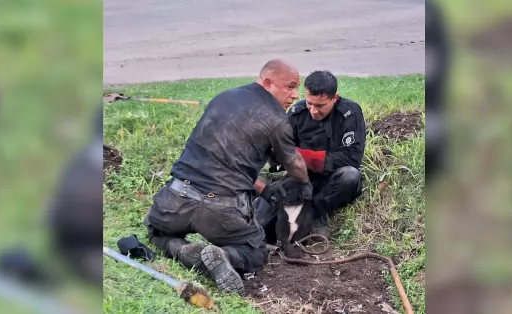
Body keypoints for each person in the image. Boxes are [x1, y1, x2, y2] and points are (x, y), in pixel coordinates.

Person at [143, 59, 313, 296]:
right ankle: (223, 255)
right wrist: (305, 182)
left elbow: (224, 161)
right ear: (267, 82)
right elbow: (294, 162)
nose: (295, 95)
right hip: (220, 210)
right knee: (255, 252)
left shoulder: (223, 98)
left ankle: (183, 251)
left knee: (155, 229)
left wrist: (263, 189)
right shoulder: (277, 120)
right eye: (290, 87)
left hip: (177, 197)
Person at [255, 70, 366, 240]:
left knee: (351, 177)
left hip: (334, 176)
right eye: (309, 103)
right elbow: (280, 156)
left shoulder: (349, 113)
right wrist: (273, 151)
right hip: (302, 177)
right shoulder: (297, 113)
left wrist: (299, 156)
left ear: (334, 98)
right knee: (263, 220)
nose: (313, 111)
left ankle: (312, 215)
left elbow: (352, 158)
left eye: (320, 106)